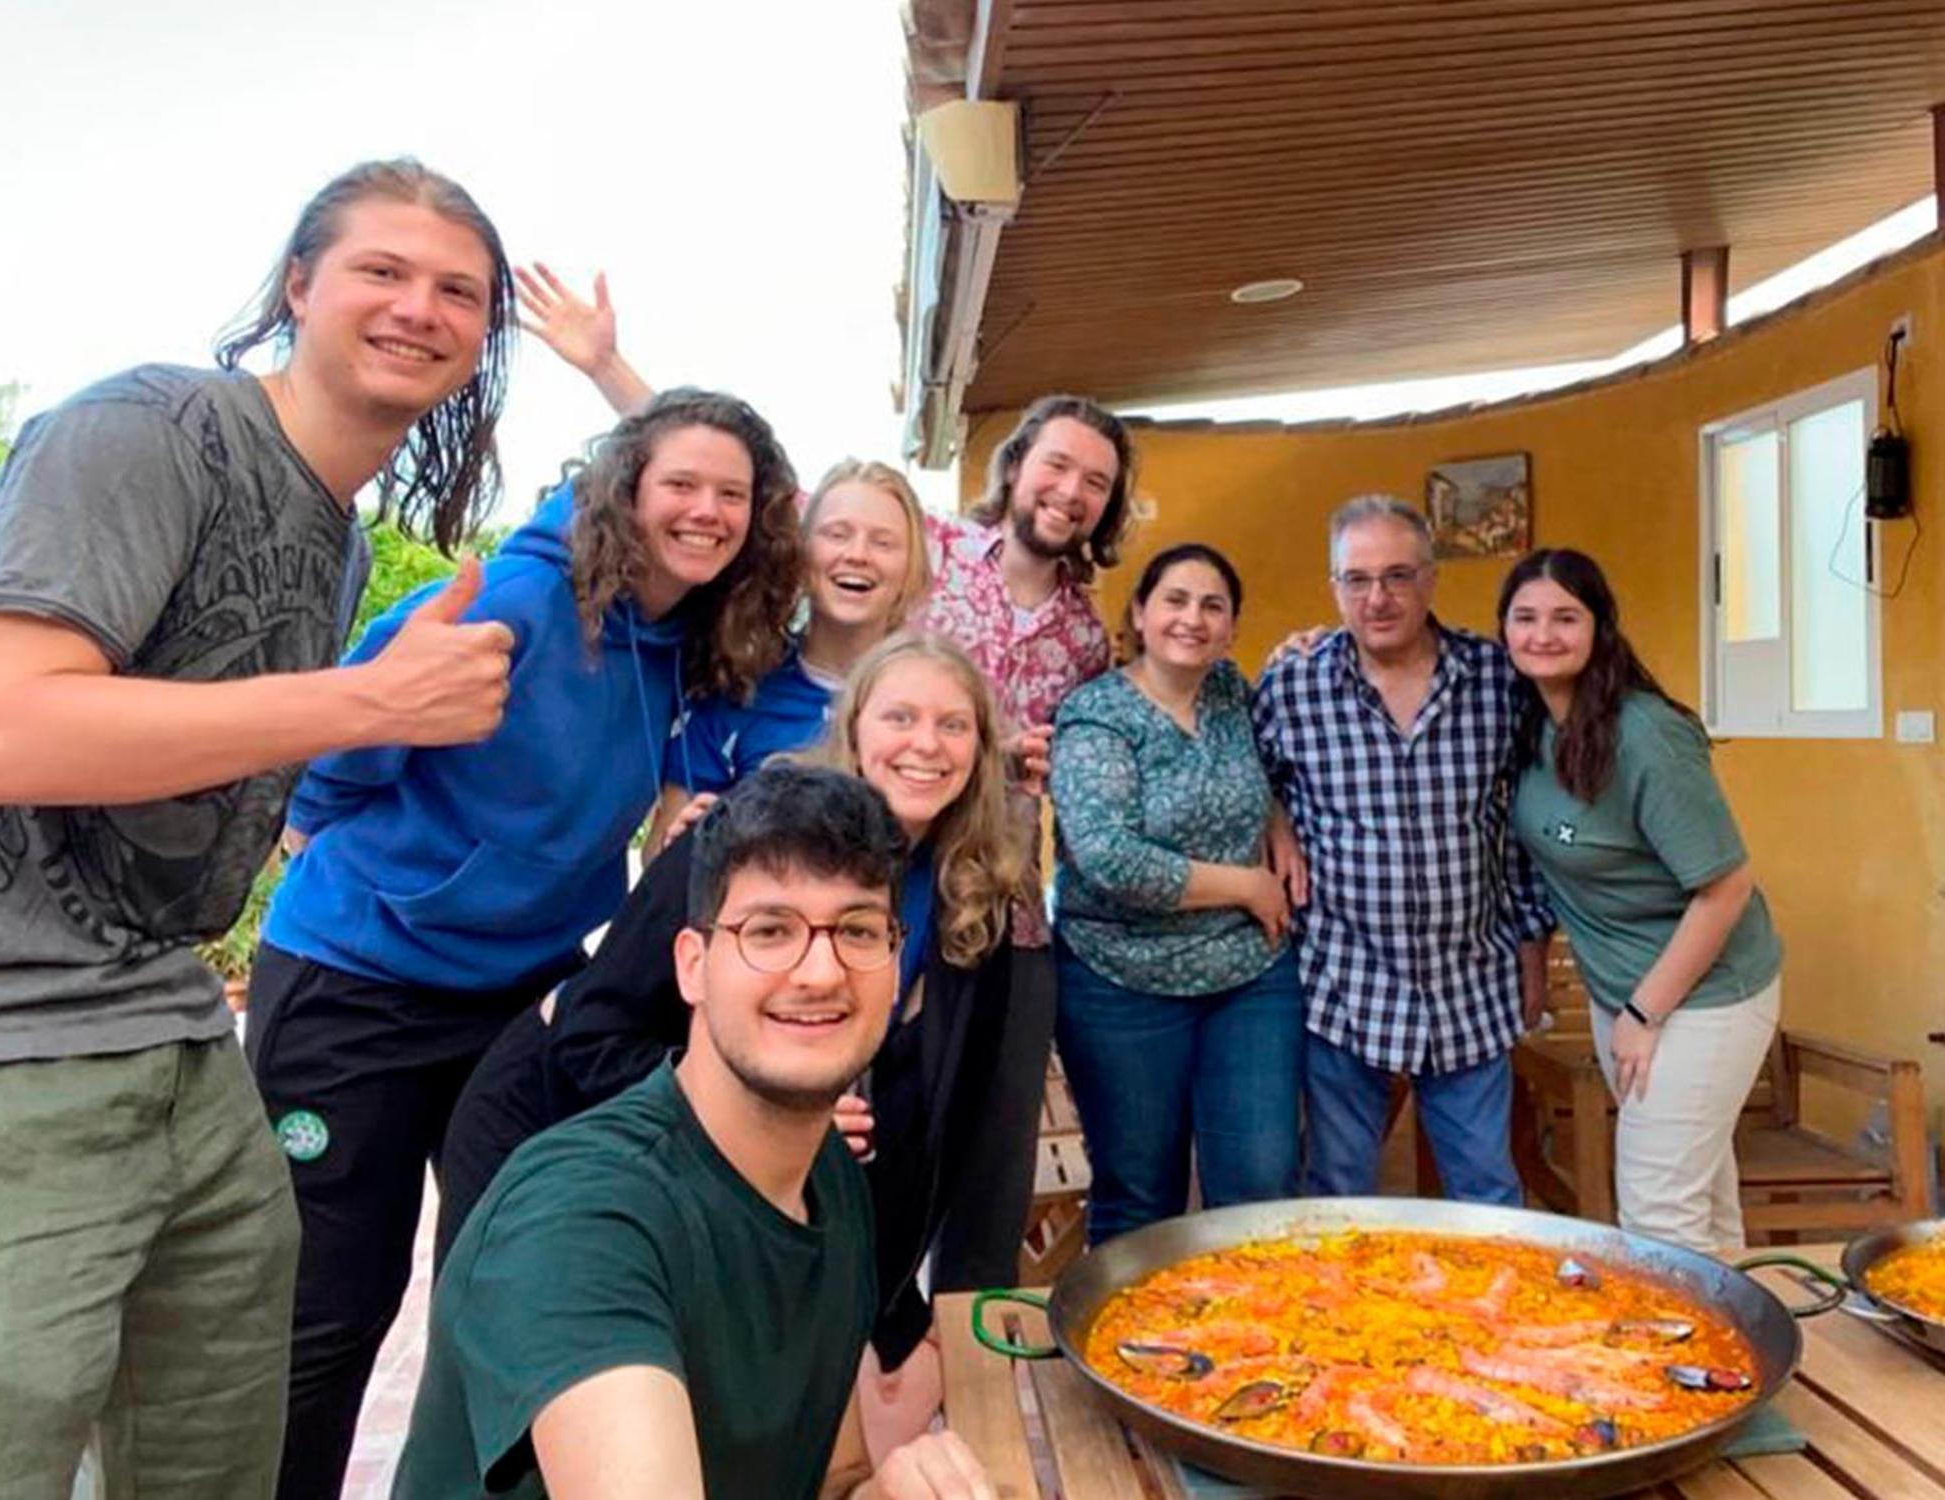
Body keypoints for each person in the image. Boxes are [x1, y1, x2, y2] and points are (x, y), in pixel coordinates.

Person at [0, 157, 518, 1500]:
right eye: (383, 270)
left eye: (460, 291)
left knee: (225, 1449)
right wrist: (366, 702)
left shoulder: (338, 537)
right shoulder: (148, 428)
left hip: (177, 1029)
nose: (419, 307)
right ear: (299, 286)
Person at [512, 263, 1140, 1286]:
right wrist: (605, 367)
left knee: (944, 1154)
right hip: (785, 964)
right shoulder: (852, 610)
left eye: (1094, 482)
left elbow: (1100, 728)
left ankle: (917, 1342)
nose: (1068, 491)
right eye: (1053, 466)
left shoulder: (1079, 625)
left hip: (974, 912)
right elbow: (732, 482)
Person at [249, 385, 802, 1500]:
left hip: (516, 997)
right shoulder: (522, 600)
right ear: (624, 489)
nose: (704, 511)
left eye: (729, 495)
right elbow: (350, 723)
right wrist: (315, 833)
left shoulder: (691, 631)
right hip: (360, 982)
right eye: (679, 485)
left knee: (506, 1286)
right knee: (332, 1305)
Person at [439, 632, 1024, 1456]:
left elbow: (939, 1122)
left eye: (953, 725)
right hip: (553, 1115)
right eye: (900, 716)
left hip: (753, 1164)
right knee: (533, 1420)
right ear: (854, 729)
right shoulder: (745, 841)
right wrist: (776, 1111)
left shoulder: (970, 893)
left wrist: (895, 1307)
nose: (925, 744)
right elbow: (591, 1033)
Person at [1251, 496, 1554, 1206]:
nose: (1377, 597)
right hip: (1344, 986)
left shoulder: (1497, 679)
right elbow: (1244, 777)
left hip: (1472, 985)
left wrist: (1533, 947)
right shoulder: (1293, 685)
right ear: (1333, 588)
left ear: (1431, 579)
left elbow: (1527, 827)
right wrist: (1276, 820)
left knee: (1489, 1194)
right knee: (1338, 1194)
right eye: (1356, 579)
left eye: (1396, 575)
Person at [1500, 548, 1782, 1253]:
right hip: (1622, 995)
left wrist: (1642, 1012)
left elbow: (1725, 888)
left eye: (1566, 616)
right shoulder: (1530, 720)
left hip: (1703, 996)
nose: (1543, 634)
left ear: (1601, 627)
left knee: (1658, 1220)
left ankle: (1678, 1362)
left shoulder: (1646, 736)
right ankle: (1744, 1358)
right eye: (1525, 617)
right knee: (1702, 1210)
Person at [1050, 544, 1308, 1243]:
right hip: (1120, 981)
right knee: (1141, 1195)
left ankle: (1256, 1347)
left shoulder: (1231, 691)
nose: (1191, 618)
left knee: (1262, 1183)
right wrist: (1247, 885)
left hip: (1248, 974)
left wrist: (1277, 821)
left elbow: (1266, 773)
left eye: (1212, 605)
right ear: (1140, 611)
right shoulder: (1095, 714)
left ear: (1230, 627)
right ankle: (1138, 1350)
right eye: (1175, 599)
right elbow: (1109, 856)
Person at [643, 457, 934, 856]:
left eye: (883, 542)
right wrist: (688, 847)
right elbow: (659, 855)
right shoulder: (738, 690)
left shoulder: (938, 698)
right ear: (801, 551)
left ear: (911, 568)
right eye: (837, 534)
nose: (858, 554)